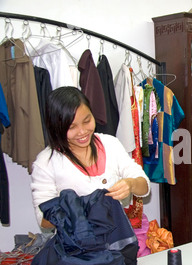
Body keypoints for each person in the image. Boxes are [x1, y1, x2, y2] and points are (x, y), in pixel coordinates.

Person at [31, 86, 150, 229]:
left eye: (87, 121)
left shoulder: (110, 144)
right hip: (78, 247)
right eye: (71, 127)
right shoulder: (46, 163)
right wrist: (80, 206)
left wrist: (130, 184)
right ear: (56, 127)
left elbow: (144, 186)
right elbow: (43, 221)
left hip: (117, 240)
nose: (82, 132)